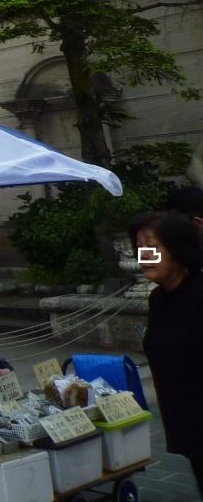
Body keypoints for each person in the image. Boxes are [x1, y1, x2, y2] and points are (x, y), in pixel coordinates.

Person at [130, 210, 203, 493]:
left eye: (153, 247)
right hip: (187, 423)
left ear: (179, 249)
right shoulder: (158, 299)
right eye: (140, 248)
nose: (144, 256)